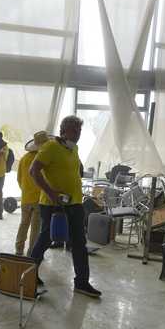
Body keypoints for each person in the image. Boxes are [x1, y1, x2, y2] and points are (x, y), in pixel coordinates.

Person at [29, 116, 101, 298]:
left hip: (75, 203)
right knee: (45, 240)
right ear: (63, 130)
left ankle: (82, 283)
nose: (78, 135)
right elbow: (33, 171)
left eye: (79, 131)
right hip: (53, 205)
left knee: (79, 243)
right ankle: (28, 275)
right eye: (74, 131)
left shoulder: (72, 149)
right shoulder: (50, 147)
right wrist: (51, 193)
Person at [15, 131, 48, 256]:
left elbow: (19, 178)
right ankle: (32, 253)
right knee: (35, 228)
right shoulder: (43, 158)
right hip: (39, 199)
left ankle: (19, 250)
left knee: (23, 224)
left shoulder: (24, 159)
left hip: (26, 198)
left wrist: (25, 191)